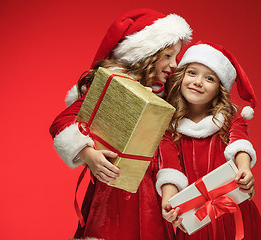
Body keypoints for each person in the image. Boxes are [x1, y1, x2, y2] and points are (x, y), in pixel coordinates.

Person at [49, 8, 192, 240]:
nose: (174, 64)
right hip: (112, 189)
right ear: (146, 53)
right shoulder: (114, 86)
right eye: (167, 55)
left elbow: (166, 145)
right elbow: (62, 121)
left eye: (176, 56)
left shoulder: (164, 97)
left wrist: (170, 189)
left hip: (151, 193)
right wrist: (88, 154)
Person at [156, 40, 261, 240]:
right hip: (197, 220)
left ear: (219, 88)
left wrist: (245, 169)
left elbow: (239, 144)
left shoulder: (230, 119)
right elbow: (170, 169)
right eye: (192, 73)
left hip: (234, 214)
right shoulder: (169, 128)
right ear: (181, 77)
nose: (198, 82)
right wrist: (169, 201)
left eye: (209, 78)